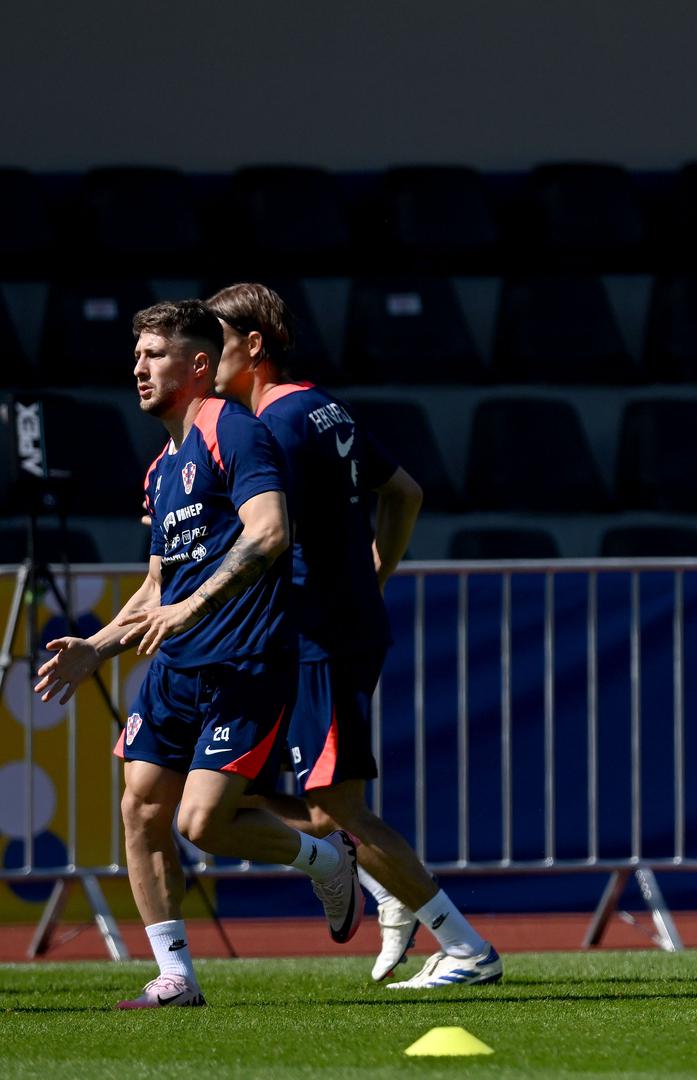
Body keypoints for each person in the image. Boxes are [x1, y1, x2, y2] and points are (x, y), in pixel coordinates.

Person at [34, 300, 362, 1008]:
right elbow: (158, 584)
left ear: (198, 365)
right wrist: (96, 645)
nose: (138, 369)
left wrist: (193, 606)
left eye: (153, 355)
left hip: (244, 660)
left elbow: (270, 531)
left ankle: (326, 860)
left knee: (201, 823)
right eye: (136, 357)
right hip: (176, 670)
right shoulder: (161, 468)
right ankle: (175, 975)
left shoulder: (233, 431)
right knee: (140, 806)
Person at [206, 283, 502, 987]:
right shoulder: (321, 406)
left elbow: (263, 536)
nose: (202, 360)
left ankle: (465, 948)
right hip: (325, 629)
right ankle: (386, 889)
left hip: (317, 638)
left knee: (335, 807)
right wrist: (377, 572)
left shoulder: (273, 425)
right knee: (225, 797)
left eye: (213, 343)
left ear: (253, 346)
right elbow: (405, 492)